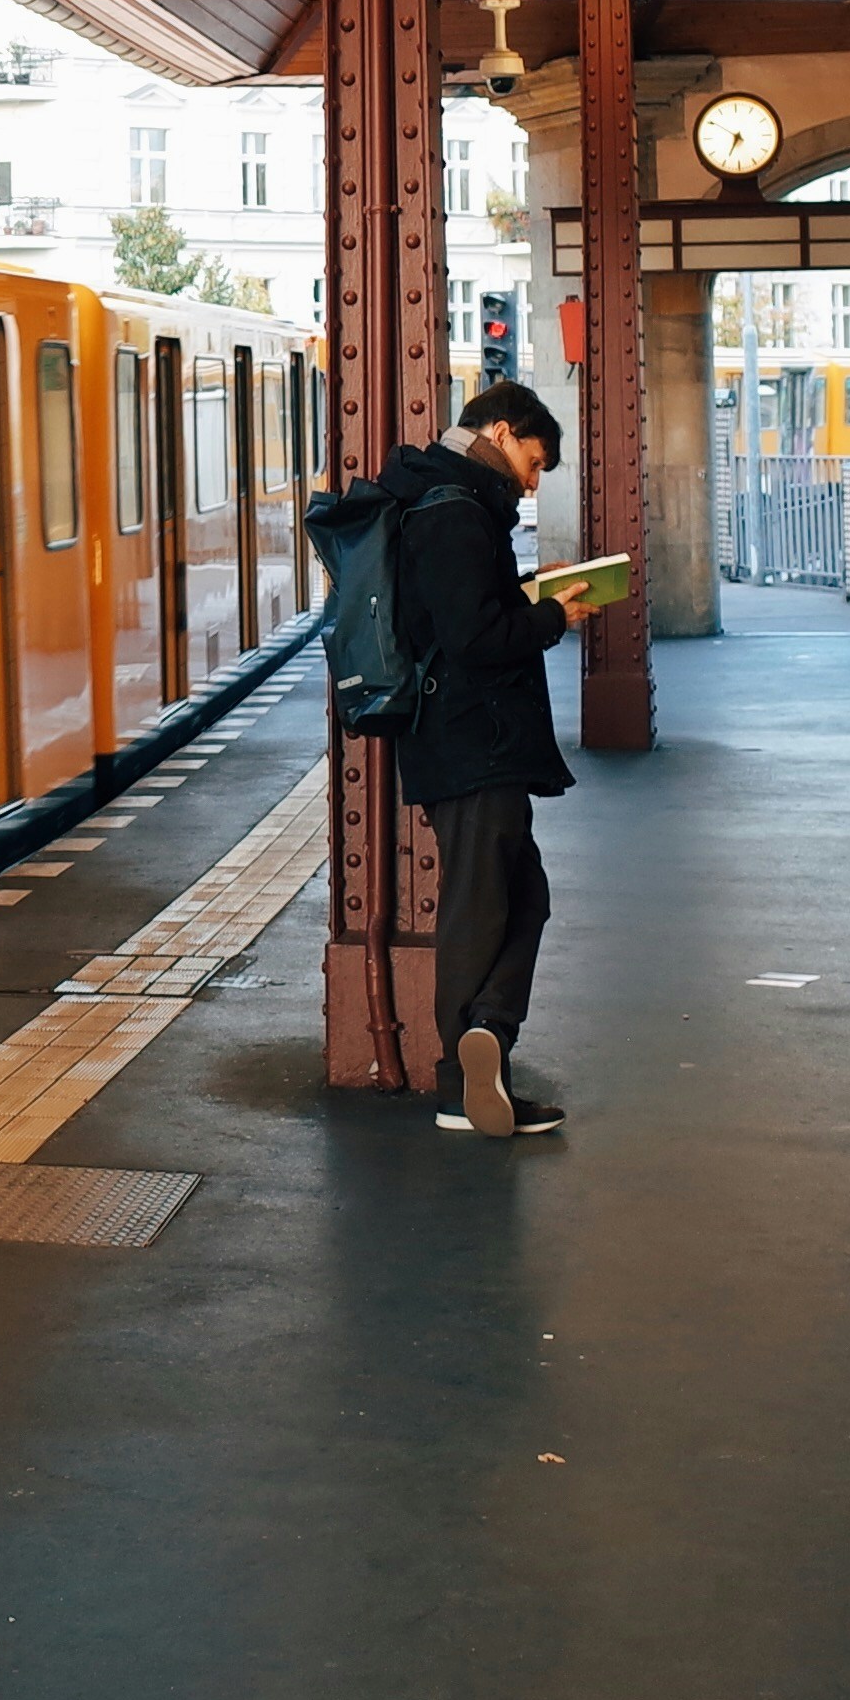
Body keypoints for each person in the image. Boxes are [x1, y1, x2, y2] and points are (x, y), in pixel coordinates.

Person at [355, 382, 584, 1140]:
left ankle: (485, 1035)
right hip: (469, 739)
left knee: (521, 896)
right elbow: (473, 638)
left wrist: (533, 598)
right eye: (534, 462)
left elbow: (465, 611)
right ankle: (464, 1076)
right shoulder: (453, 508)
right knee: (481, 904)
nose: (533, 482)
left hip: (470, 738)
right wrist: (551, 618)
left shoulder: (452, 499)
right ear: (501, 432)